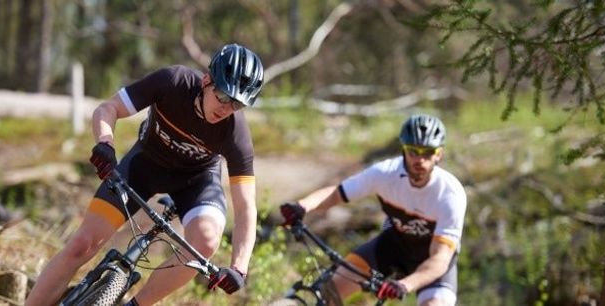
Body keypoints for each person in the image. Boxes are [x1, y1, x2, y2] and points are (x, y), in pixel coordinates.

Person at [26, 43, 264, 306]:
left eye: (237, 104)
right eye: (222, 96)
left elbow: (245, 208)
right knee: (82, 244)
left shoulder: (235, 133)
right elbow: (108, 109)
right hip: (143, 166)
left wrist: (239, 267)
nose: (225, 108)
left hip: (196, 182)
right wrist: (105, 143)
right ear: (207, 80)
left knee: (206, 242)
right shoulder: (173, 82)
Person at [280, 114, 466, 306]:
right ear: (403, 150)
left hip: (432, 263)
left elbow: (440, 259)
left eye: (427, 152)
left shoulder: (450, 195)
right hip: (392, 247)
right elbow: (337, 193)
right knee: (328, 294)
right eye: (413, 151)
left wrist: (404, 285)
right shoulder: (385, 174)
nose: (420, 160)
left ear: (439, 154)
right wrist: (302, 206)